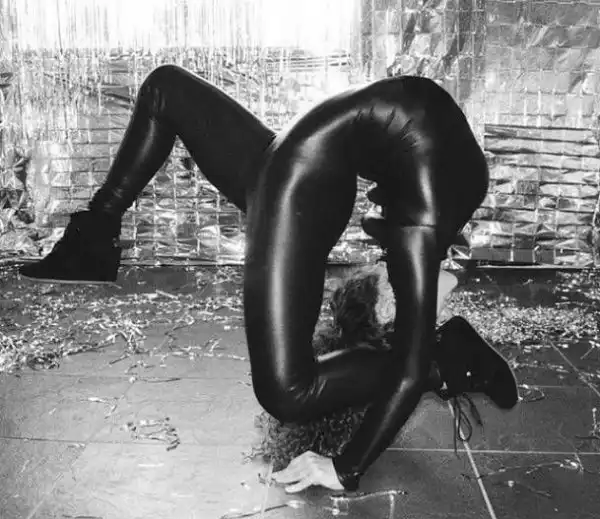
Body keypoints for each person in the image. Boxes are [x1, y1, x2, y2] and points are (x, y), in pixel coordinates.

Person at [20, 65, 518, 492]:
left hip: (300, 172)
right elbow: (410, 242)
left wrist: (344, 469)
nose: (376, 211)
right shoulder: (443, 189)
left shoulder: (425, 209)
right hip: (295, 158)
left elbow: (406, 368)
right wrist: (413, 288)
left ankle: (446, 361)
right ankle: (92, 239)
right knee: (163, 89)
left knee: (288, 392)